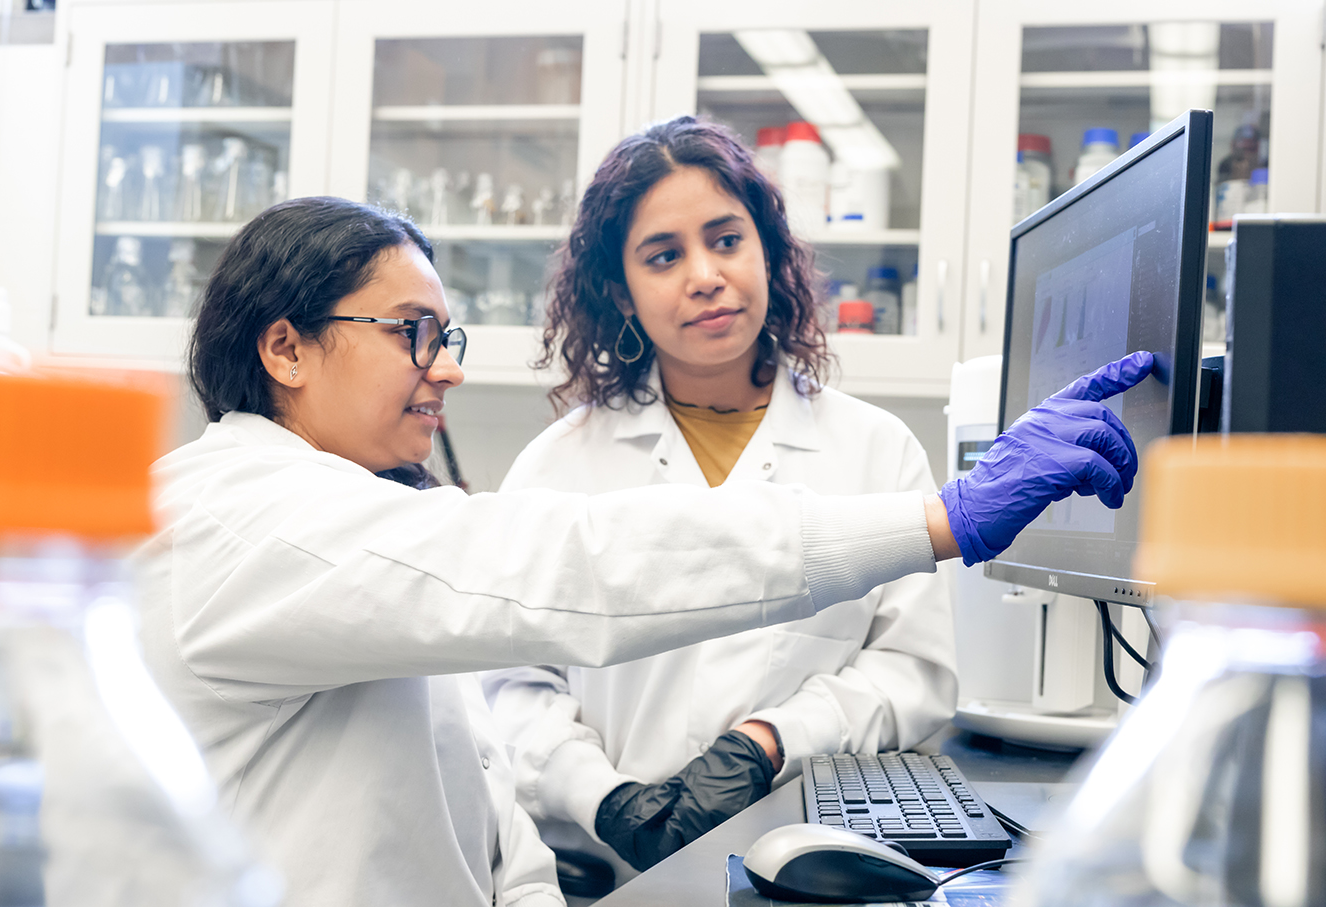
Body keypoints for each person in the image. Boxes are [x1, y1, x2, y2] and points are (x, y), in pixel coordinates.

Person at [138, 194, 1151, 907]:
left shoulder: (342, 510)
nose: (443, 369)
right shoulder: (239, 519)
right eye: (415, 332)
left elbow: (484, 796)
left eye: (449, 336)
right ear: (284, 348)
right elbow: (567, 567)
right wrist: (938, 520)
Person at [482, 116, 954, 879]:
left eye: (727, 239)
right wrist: (602, 796)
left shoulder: (876, 449)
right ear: (620, 292)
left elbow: (912, 674)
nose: (705, 274)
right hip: (599, 875)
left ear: (767, 251)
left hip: (801, 867)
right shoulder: (558, 466)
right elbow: (510, 684)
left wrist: (770, 740)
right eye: (664, 256)